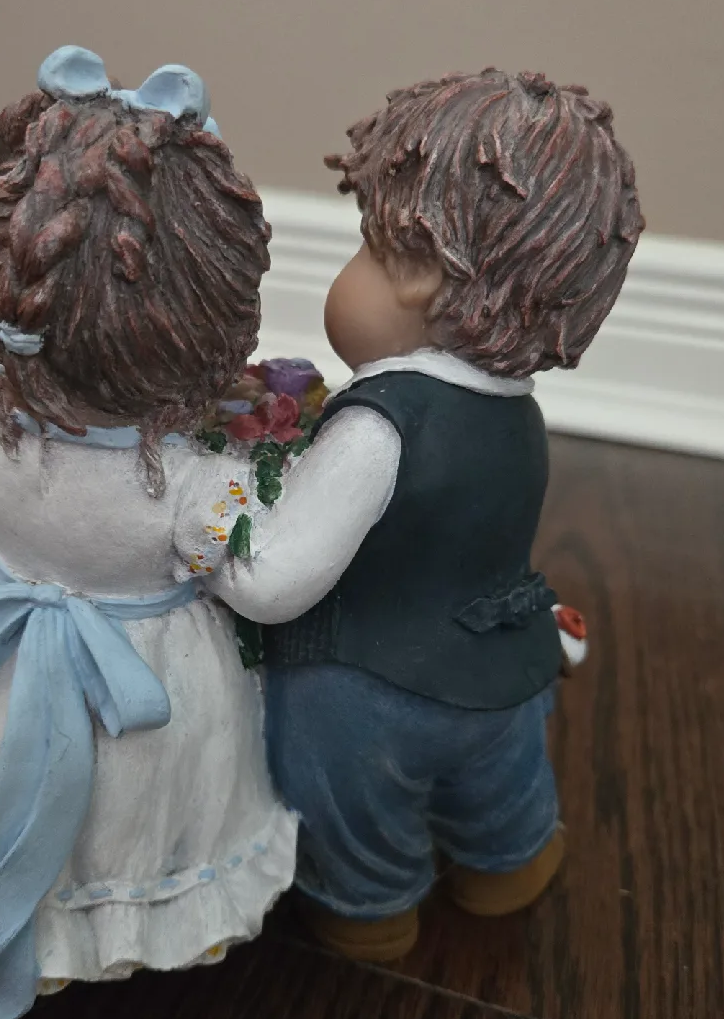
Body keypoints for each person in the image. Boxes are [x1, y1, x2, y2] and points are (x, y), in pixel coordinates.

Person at [0, 47, 297, 1019]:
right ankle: (139, 917)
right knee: (135, 819)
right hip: (147, 684)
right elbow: (263, 587)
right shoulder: (195, 486)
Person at [216, 69, 644, 961]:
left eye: (367, 249)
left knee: (338, 781)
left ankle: (368, 911)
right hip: (503, 663)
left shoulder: (377, 426)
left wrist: (214, 525)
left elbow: (273, 584)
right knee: (502, 777)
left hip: (371, 689)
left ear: (416, 269)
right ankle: (508, 865)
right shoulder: (515, 408)